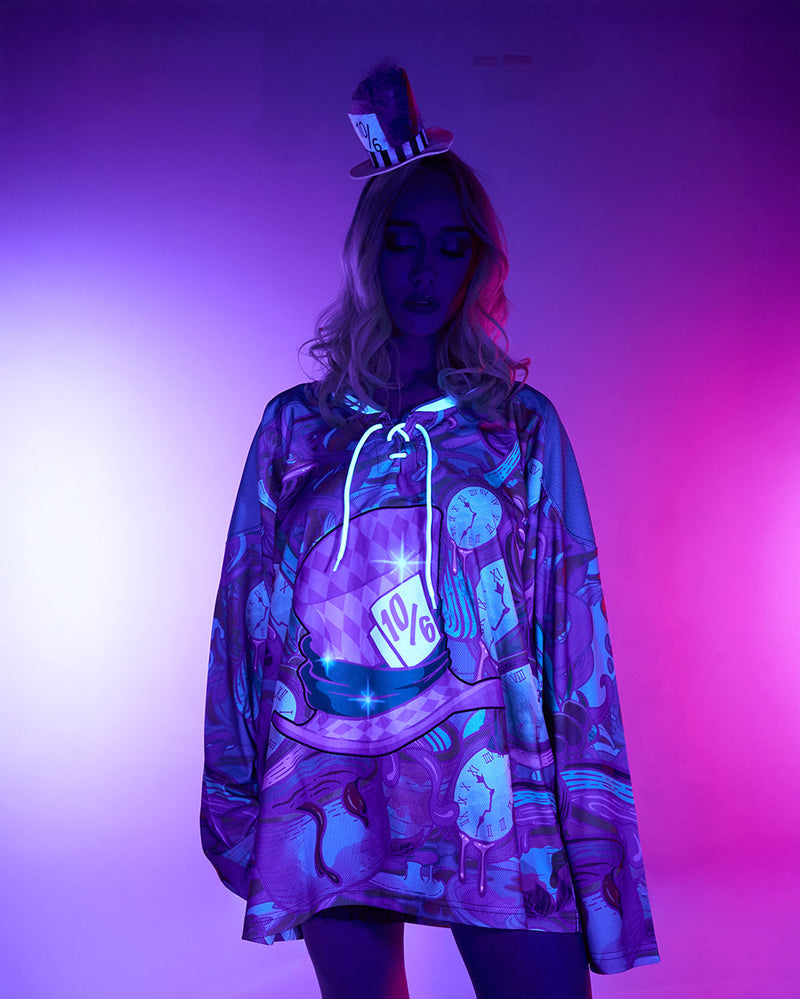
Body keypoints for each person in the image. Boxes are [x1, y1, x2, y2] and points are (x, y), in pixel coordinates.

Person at [201, 63, 660, 999]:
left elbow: (572, 632)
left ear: (475, 262)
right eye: (402, 243)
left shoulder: (517, 428)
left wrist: (589, 833)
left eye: (450, 248)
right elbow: (244, 620)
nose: (423, 272)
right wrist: (238, 789)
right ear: (368, 252)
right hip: (329, 782)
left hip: (492, 784)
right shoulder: (297, 427)